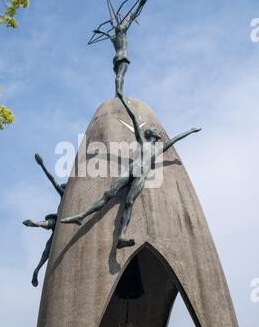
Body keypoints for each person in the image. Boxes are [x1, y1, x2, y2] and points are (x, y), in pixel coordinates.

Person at [61, 95, 201, 249]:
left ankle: (121, 236)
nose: (156, 130)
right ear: (151, 134)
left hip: (140, 176)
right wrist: (122, 100)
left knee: (129, 203)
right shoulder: (142, 141)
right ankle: (81, 216)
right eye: (154, 129)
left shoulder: (159, 148)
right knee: (108, 194)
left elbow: (174, 140)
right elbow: (134, 119)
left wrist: (190, 131)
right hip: (130, 171)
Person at [23, 154, 65, 286]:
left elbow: (52, 179)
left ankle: (37, 269)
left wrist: (42, 165)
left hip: (57, 223)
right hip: (61, 220)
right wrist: (42, 165)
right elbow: (52, 179)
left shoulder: (64, 194)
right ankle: (37, 223)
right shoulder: (65, 194)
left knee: (47, 247)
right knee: (47, 248)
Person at [93, 0, 148, 97]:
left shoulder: (113, 38)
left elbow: (107, 34)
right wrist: (140, 4)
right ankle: (119, 91)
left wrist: (99, 31)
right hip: (123, 55)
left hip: (115, 58)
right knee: (121, 76)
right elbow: (131, 17)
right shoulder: (122, 33)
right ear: (121, 29)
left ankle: (117, 92)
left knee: (118, 75)